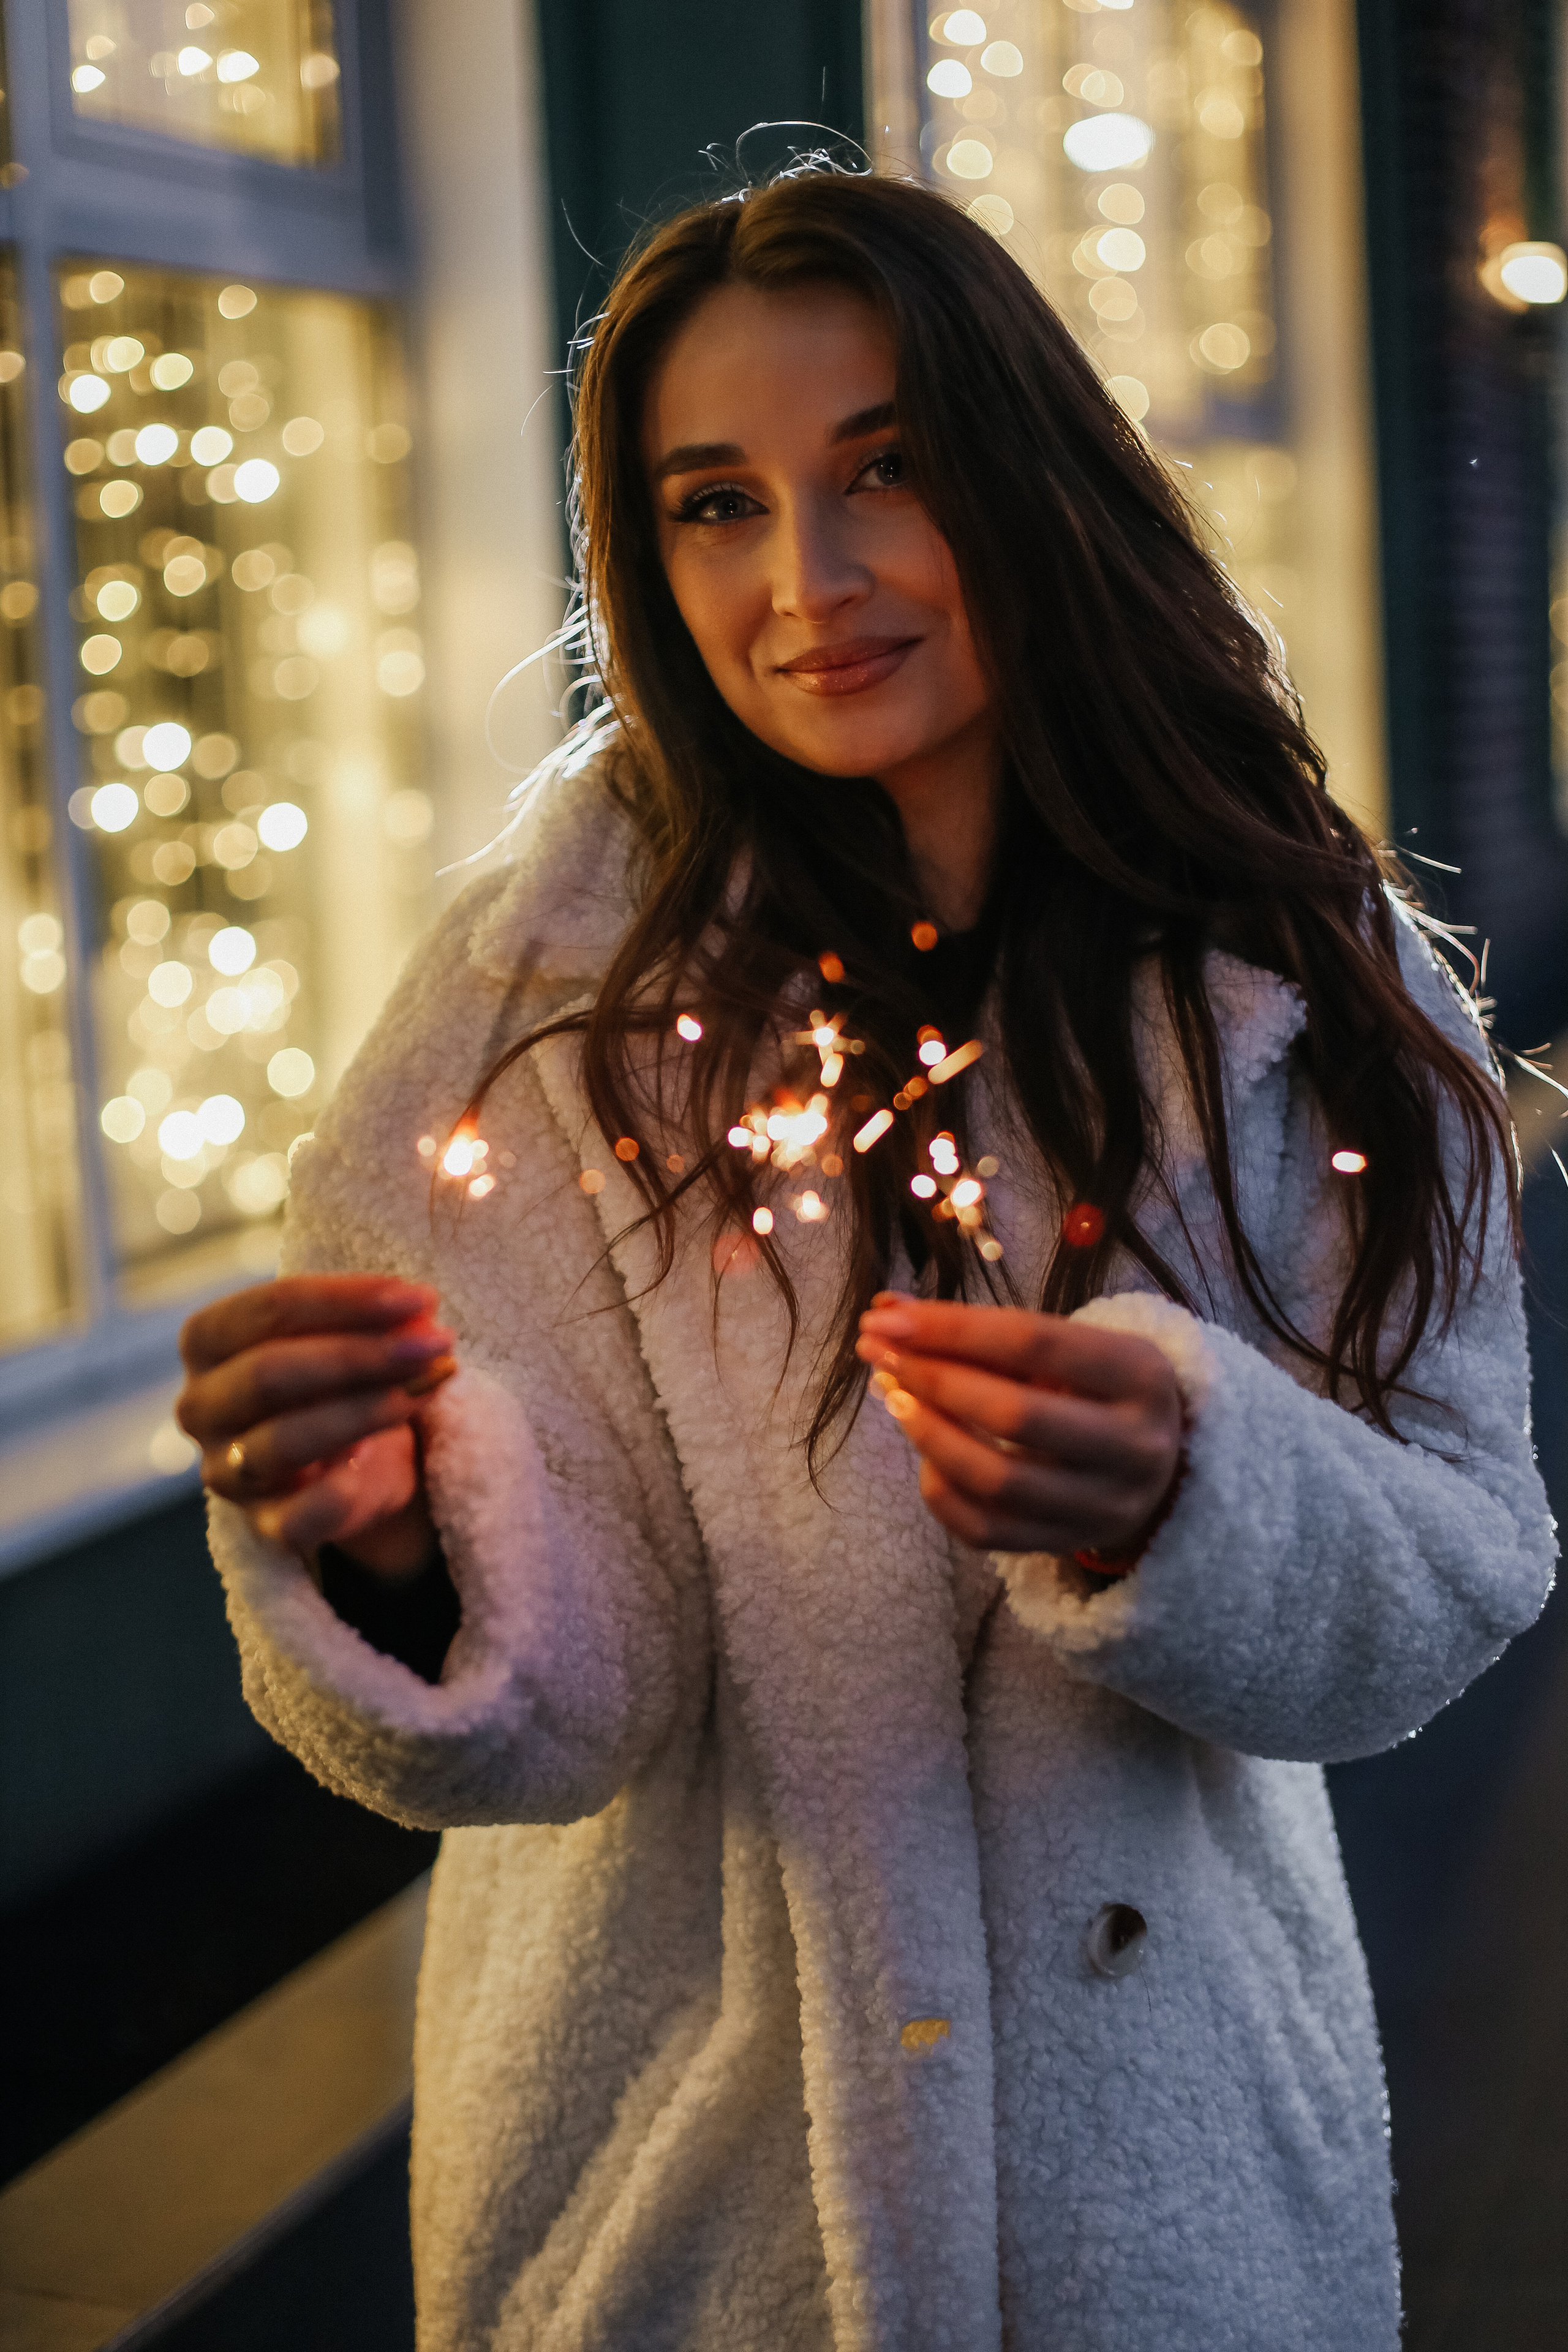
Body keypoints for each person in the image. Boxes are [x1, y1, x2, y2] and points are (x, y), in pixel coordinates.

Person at [178, 167, 1554, 2350]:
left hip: (1177, 2197)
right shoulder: (536, 1012)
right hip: (686, 2212)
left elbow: (1462, 1559)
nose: (805, 581)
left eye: (884, 472)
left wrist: (1197, 1503)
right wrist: (401, 1554)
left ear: (1026, 473)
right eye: (715, 503)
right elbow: (559, 1708)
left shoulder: (1297, 971)